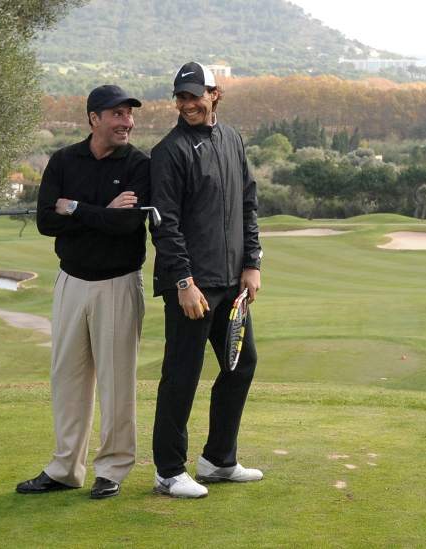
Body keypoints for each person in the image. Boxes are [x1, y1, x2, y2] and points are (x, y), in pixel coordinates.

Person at [16, 84, 149, 500]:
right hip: (71, 281)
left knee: (116, 381)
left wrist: (74, 208)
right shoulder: (63, 160)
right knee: (67, 378)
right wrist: (103, 212)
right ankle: (64, 468)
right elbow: (45, 221)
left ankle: (112, 469)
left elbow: (128, 225)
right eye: (118, 114)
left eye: (130, 115)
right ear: (94, 118)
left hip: (118, 283)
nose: (127, 122)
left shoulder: (139, 165)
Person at [149, 62, 263, 498]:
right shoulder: (170, 151)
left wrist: (252, 263)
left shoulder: (232, 139)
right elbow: (165, 225)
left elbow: (248, 204)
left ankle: (218, 460)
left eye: (195, 95)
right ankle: (168, 471)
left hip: (231, 283)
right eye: (180, 97)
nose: (187, 103)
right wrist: (183, 282)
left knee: (241, 365)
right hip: (192, 287)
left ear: (216, 95)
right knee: (182, 373)